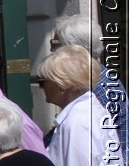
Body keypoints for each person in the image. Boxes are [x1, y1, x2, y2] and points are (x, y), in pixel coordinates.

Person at [49, 13, 127, 155]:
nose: (51, 51)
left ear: (76, 49)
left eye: (55, 45)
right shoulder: (93, 79)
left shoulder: (99, 86)